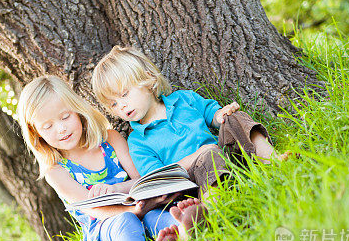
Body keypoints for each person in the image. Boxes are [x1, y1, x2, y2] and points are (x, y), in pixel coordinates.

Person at [17, 75, 204, 241]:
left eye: (65, 117)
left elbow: (139, 178)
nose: (61, 129)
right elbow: (93, 209)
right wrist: (133, 211)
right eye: (48, 126)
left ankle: (186, 231)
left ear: (78, 111)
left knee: (154, 216)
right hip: (105, 226)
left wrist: (144, 202)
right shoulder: (56, 170)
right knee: (124, 222)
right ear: (35, 132)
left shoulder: (110, 139)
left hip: (142, 205)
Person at [91, 45, 291, 197]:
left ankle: (272, 161)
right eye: (114, 104)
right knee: (209, 156)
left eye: (124, 94)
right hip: (194, 180)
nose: (122, 106)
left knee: (233, 118)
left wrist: (220, 115)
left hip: (227, 155)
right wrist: (198, 155)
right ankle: (216, 206)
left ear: (148, 79)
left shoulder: (184, 99)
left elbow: (210, 113)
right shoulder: (138, 141)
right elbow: (158, 178)